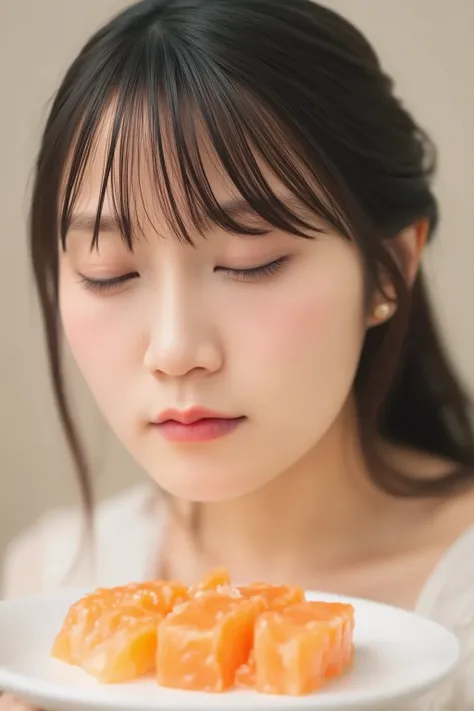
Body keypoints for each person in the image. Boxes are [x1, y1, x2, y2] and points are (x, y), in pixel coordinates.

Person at [1, 0, 474, 708]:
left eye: (250, 262)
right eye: (109, 272)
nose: (175, 350)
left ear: (389, 269)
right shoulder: (52, 581)